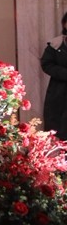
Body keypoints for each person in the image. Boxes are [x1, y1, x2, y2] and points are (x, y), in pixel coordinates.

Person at [41, 11, 67, 140]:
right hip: (59, 90)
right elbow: (47, 64)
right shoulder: (56, 44)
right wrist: (64, 73)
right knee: (58, 127)